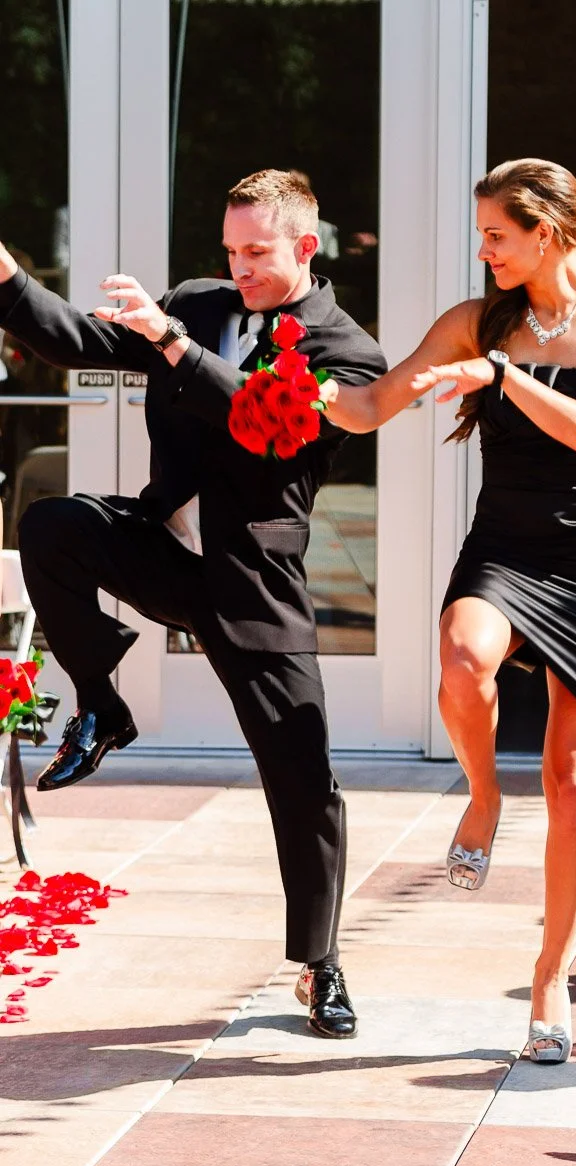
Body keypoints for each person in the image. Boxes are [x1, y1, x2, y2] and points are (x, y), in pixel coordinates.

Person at [0, 168, 387, 1039]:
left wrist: (172, 341)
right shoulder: (197, 305)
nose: (239, 267)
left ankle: (321, 962)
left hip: (253, 584)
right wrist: (9, 278)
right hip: (166, 551)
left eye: (257, 252)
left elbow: (266, 425)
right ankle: (101, 707)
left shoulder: (347, 351)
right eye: (230, 251)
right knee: (55, 524)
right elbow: (78, 341)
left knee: (303, 778)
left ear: (305, 247)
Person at [324, 157, 576, 1063]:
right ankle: (481, 795)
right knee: (464, 659)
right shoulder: (475, 322)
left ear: (547, 233)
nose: (484, 252)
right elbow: (371, 405)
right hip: (506, 551)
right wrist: (291, 389)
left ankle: (551, 974)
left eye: (497, 236)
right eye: (482, 235)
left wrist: (503, 376)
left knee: (571, 783)